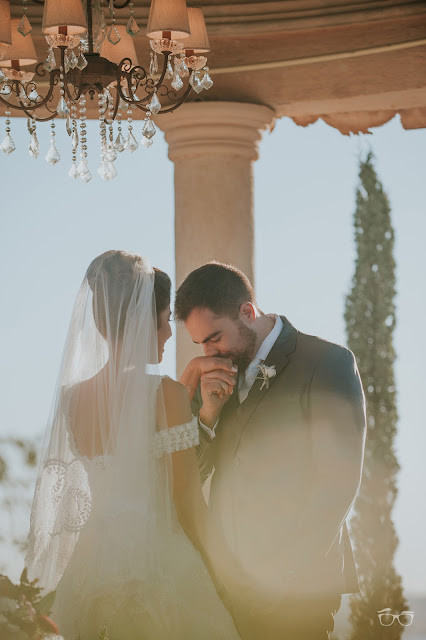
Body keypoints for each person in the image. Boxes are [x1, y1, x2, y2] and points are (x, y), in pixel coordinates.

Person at [24, 250, 241, 640]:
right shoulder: (166, 395)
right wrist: (227, 575)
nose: (170, 334)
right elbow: (188, 503)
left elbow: (126, 441)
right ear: (144, 321)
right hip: (160, 566)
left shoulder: (73, 400)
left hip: (91, 570)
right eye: (163, 323)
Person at [175, 261, 367, 640]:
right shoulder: (212, 377)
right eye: (201, 344)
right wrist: (208, 416)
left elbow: (339, 481)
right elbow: (190, 475)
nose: (210, 352)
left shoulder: (326, 363)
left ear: (247, 311)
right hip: (227, 588)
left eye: (214, 337)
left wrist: (287, 573)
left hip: (296, 593)